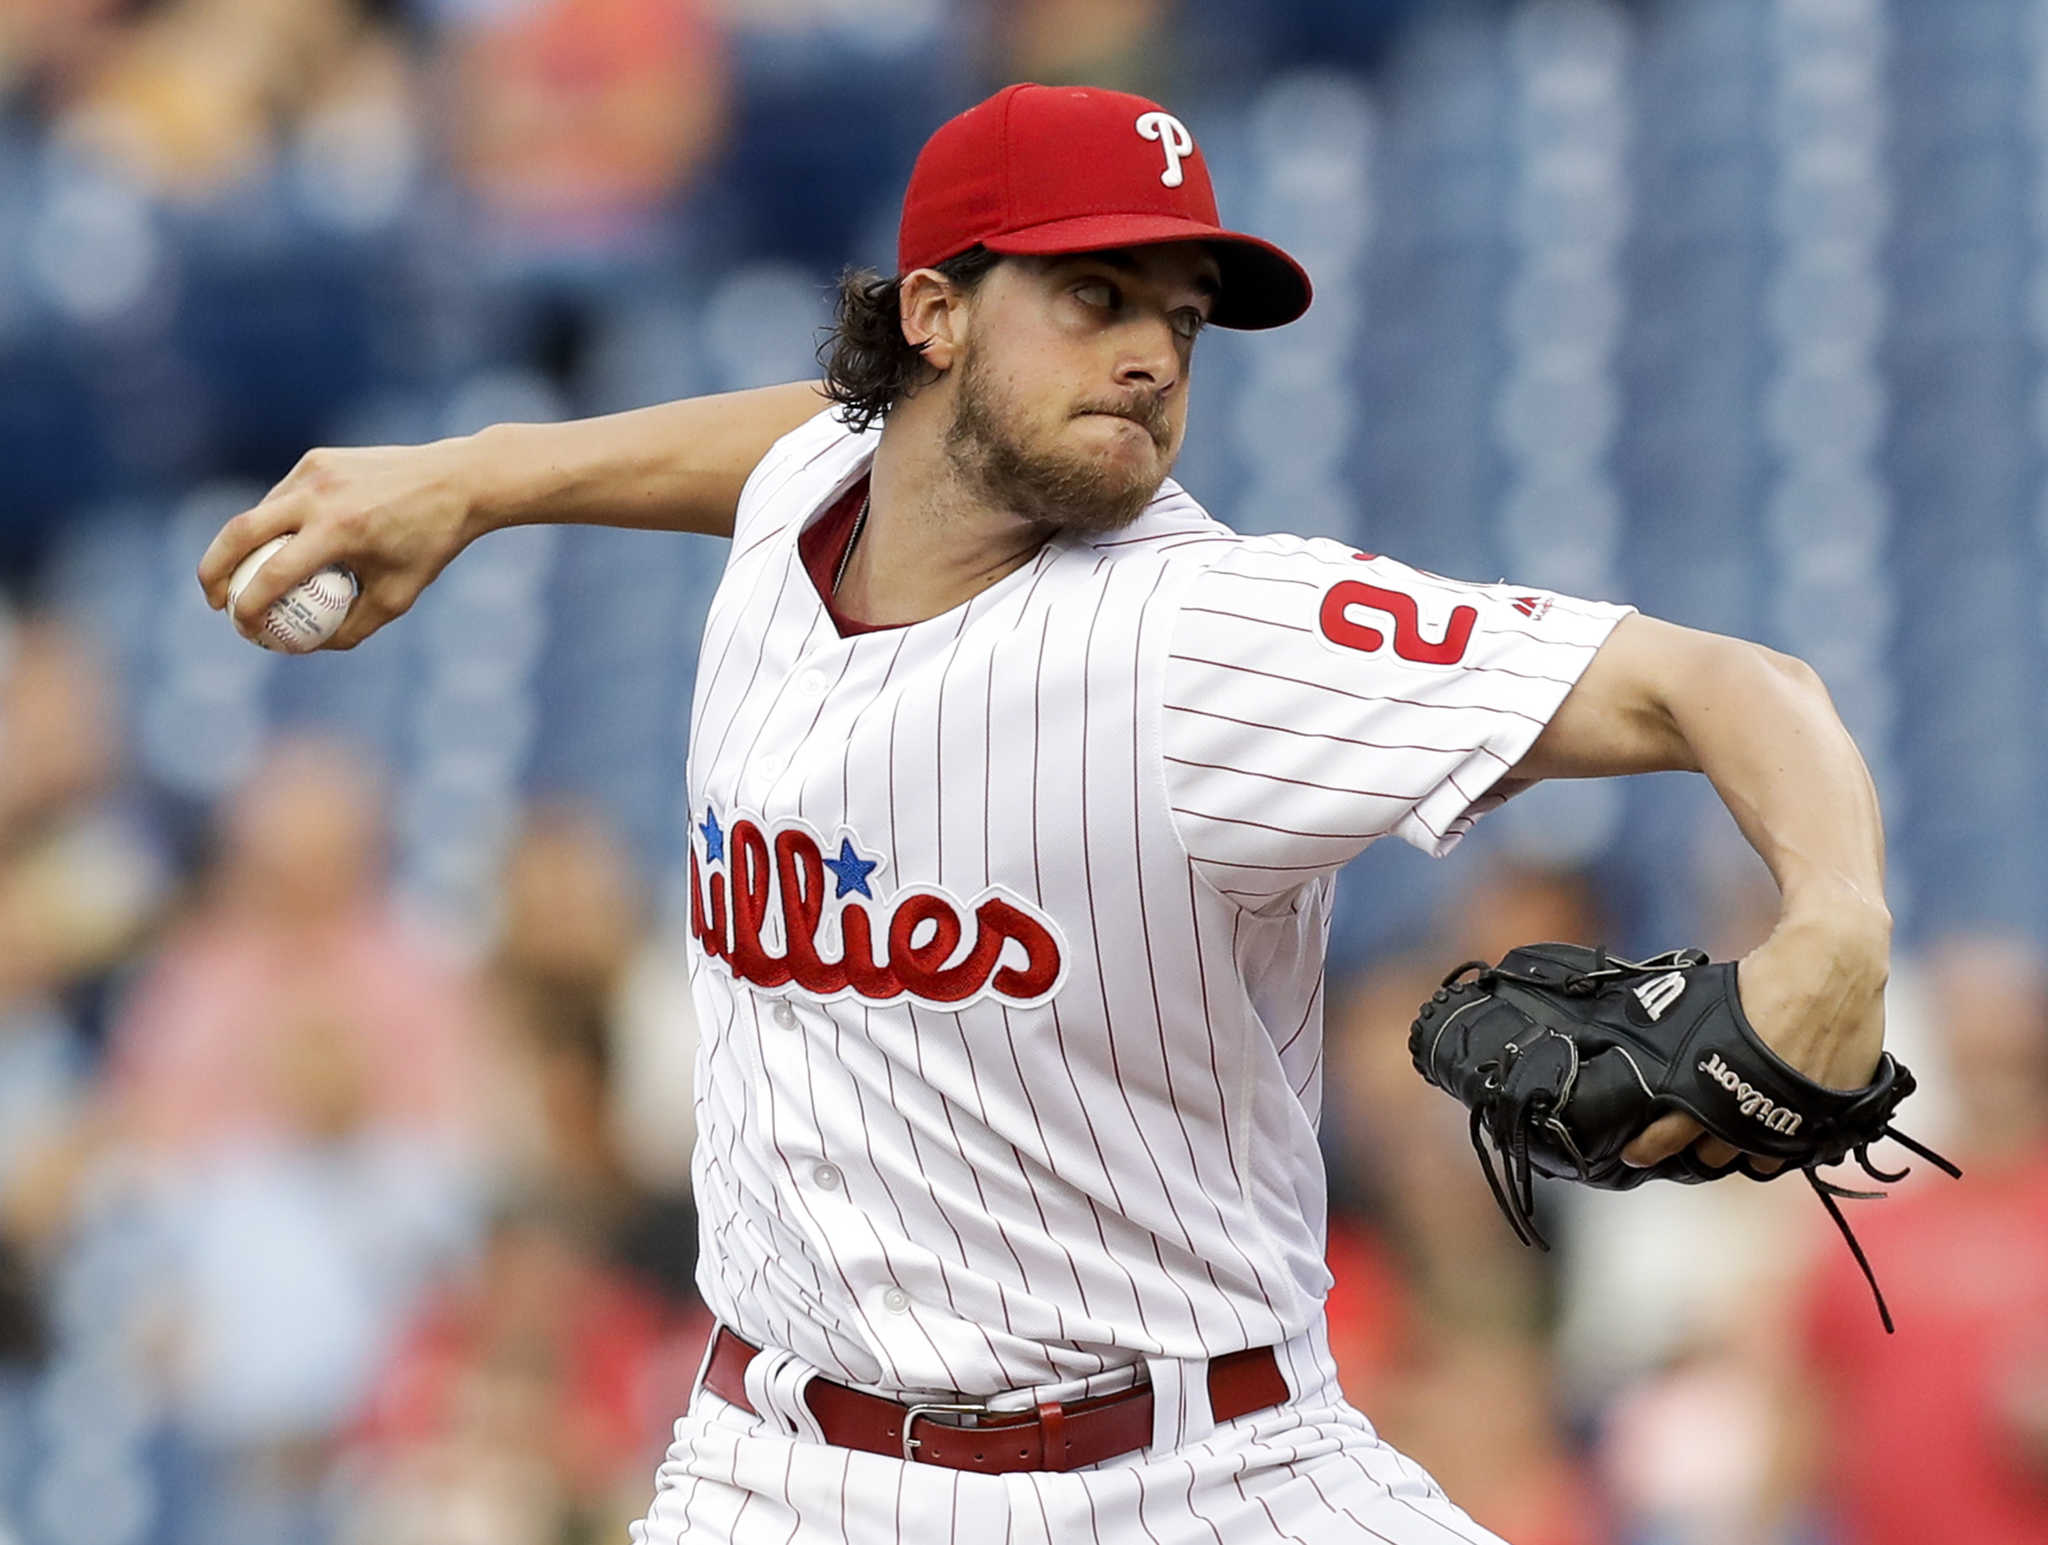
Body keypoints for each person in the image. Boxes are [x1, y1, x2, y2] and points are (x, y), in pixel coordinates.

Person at [200, 82, 1895, 1544]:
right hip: (782, 1474)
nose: (1153, 354)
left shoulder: (1213, 635)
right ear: (933, 317)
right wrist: (475, 477)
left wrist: (1837, 927)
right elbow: (804, 443)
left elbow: (1724, 682)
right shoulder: (817, 489)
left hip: (1200, 1471)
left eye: (1183, 318)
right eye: (1096, 295)